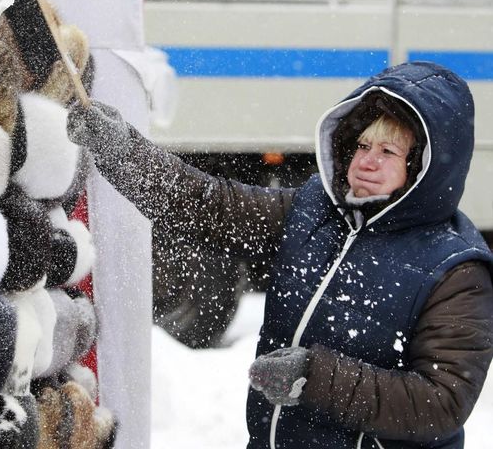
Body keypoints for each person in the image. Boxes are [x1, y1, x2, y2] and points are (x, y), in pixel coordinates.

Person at [65, 61, 493, 449]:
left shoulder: (454, 269)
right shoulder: (313, 212)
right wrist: (121, 152)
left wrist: (315, 377)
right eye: (363, 146)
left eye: (388, 152)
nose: (367, 161)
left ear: (424, 166)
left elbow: (441, 402)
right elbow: (210, 203)